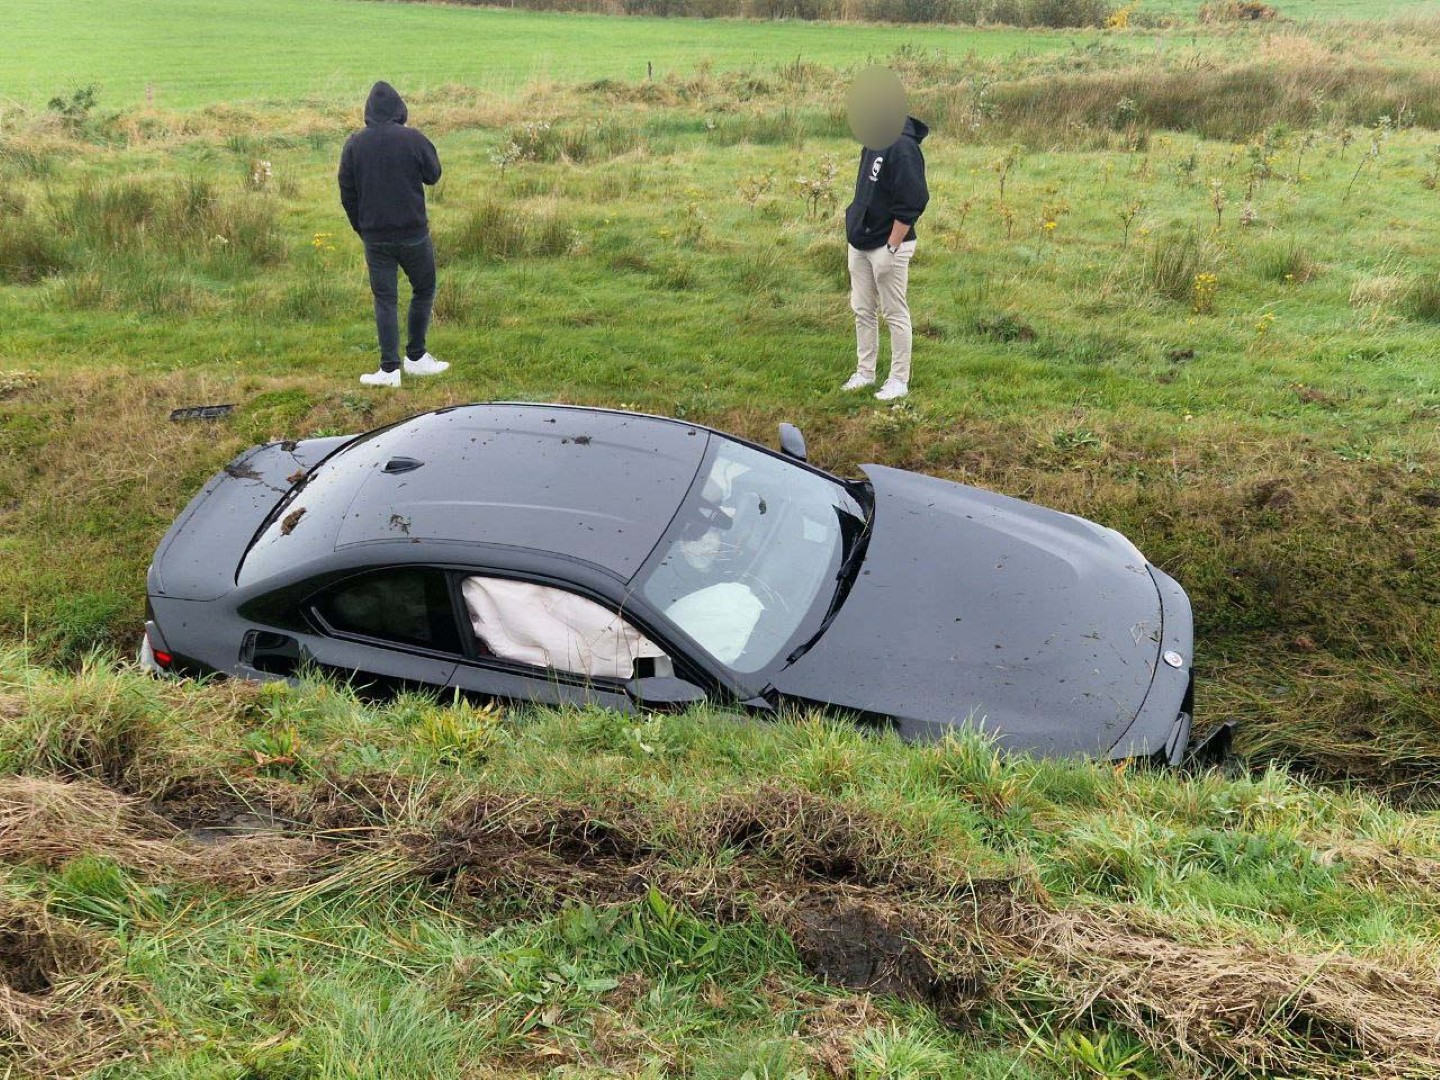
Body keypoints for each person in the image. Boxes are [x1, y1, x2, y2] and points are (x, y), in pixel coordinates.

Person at [339, 81, 449, 388]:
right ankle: (416, 358)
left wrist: (361, 227)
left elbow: (346, 191)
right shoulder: (413, 139)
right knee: (423, 289)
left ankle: (389, 371)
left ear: (368, 112)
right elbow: (434, 175)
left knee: (385, 299)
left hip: (375, 236)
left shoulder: (354, 144)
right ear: (400, 109)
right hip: (413, 232)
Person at [842, 70, 929, 402]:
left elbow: (913, 201)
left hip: (889, 246)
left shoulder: (904, 148)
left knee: (894, 311)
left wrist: (891, 247)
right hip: (861, 241)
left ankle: (898, 379)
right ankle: (865, 373)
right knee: (862, 310)